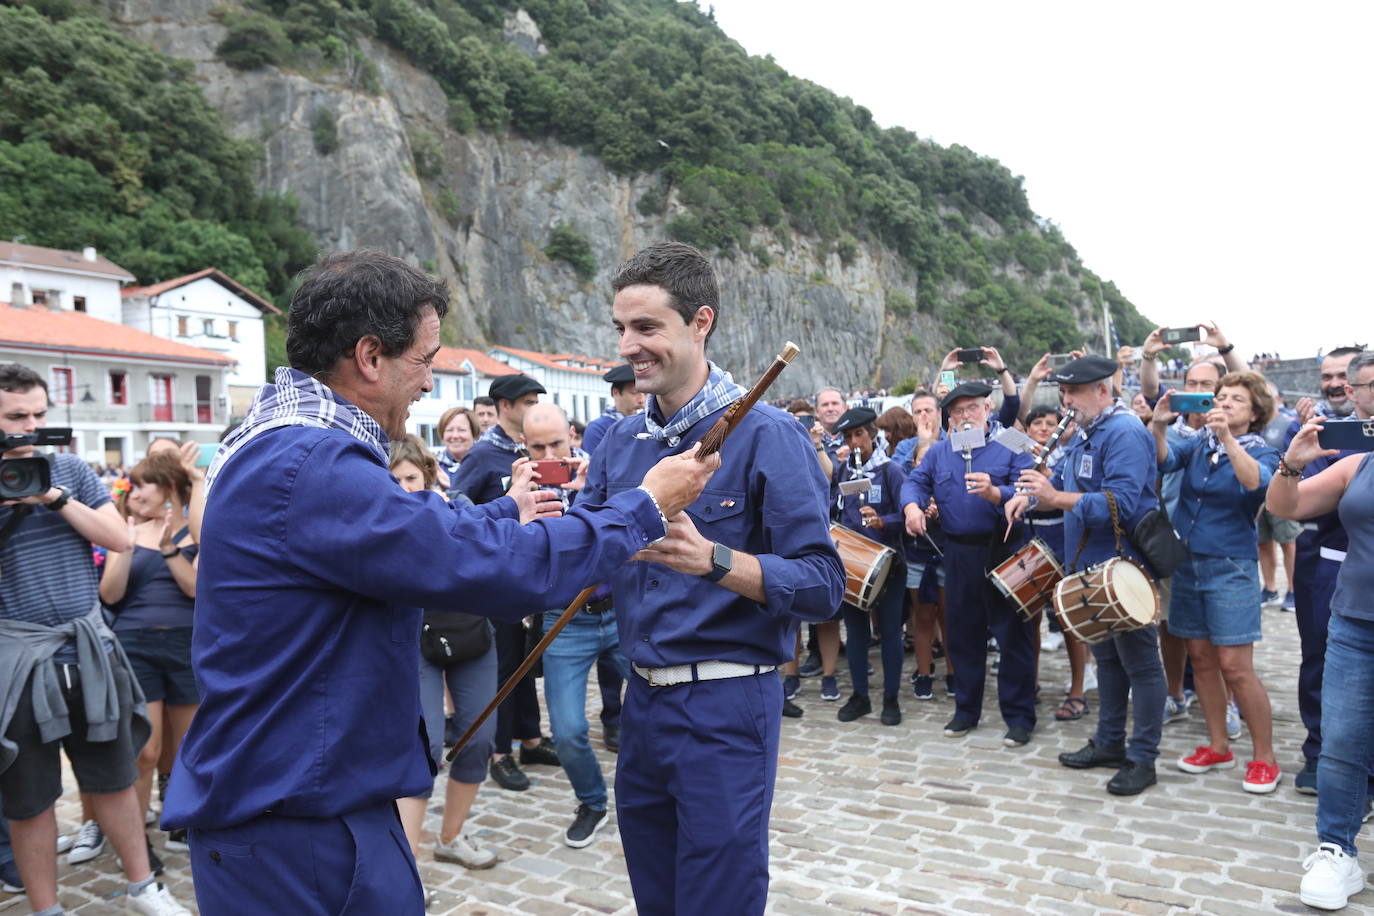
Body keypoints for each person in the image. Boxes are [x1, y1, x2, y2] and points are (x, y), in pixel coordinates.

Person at [161, 249, 718, 915]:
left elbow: (403, 538)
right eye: (425, 361)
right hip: (296, 821)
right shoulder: (309, 460)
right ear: (371, 357)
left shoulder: (290, 443)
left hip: (311, 798)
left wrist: (502, 513)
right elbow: (490, 567)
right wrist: (645, 507)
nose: (430, 383)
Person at [579, 241, 844, 916]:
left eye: (646, 327)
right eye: (621, 327)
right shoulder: (618, 443)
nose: (628, 346)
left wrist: (714, 561)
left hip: (727, 707)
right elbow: (585, 557)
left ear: (701, 323)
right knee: (657, 901)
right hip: (640, 706)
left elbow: (823, 584)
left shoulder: (769, 434)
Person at [0, 363, 190, 916]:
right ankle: (46, 908)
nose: (31, 426)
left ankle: (144, 887)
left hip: (87, 648)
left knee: (113, 776)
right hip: (19, 657)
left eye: (39, 414)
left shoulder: (70, 469)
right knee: (29, 797)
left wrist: (54, 497)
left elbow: (117, 538)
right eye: (16, 416)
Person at [1007, 355, 1165, 796]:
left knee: (1142, 665)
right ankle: (1110, 742)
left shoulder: (1125, 432)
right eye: (1063, 393)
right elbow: (1059, 484)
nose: (1066, 402)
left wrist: (1054, 497)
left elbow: (1121, 503)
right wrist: (1027, 497)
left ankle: (1143, 758)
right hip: (1092, 566)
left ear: (1102, 391)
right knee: (1109, 660)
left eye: (1073, 393)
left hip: (1124, 567)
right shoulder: (1085, 432)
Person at [1267, 357, 1374, 910]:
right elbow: (1284, 506)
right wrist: (1292, 463)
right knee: (1342, 741)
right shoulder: (1358, 461)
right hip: (1356, 621)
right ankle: (1337, 850)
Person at [1150, 369, 1282, 793]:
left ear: (1256, 412)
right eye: (1220, 397)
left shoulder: (1264, 450)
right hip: (1188, 564)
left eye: (1236, 400)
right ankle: (1218, 745)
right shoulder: (1197, 443)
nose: (1224, 403)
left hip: (1231, 567)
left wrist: (1227, 438)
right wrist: (1158, 426)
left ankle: (1265, 758)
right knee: (1201, 658)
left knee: (1236, 667)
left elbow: (1255, 484)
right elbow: (1164, 460)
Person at [385, 436, 499, 883]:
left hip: (470, 631)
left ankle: (451, 838)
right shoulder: (382, 518)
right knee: (425, 745)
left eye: (410, 478)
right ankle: (405, 869)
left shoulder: (457, 506)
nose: (404, 488)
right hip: (415, 637)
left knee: (480, 739)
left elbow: (485, 548)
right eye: (394, 480)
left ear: (428, 475)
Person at [521, 402, 634, 847]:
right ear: (524, 446)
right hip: (564, 620)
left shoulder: (603, 472)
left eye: (556, 443)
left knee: (662, 704)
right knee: (567, 731)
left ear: (572, 434)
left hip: (620, 610)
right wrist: (517, 507)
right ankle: (592, 802)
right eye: (538, 448)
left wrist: (594, 492)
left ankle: (659, 792)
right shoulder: (520, 490)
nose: (549, 455)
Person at [902, 382, 1036, 746]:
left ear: (988, 409)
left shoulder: (1013, 440)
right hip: (959, 552)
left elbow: (1031, 486)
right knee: (962, 634)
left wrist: (998, 493)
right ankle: (966, 709)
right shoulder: (939, 451)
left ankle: (1020, 716)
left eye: (972, 408)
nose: (965, 416)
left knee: (1013, 636)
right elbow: (914, 483)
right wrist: (912, 507)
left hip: (1004, 548)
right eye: (957, 411)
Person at [452, 373, 562, 791]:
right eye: (527, 402)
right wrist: (498, 521)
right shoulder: (483, 453)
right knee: (502, 667)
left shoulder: (528, 448)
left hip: (528, 574)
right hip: (496, 576)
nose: (534, 407)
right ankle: (499, 752)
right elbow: (457, 502)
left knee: (525, 661)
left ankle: (530, 738)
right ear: (504, 406)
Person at [100, 453, 201, 860]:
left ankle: (184, 822)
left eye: (143, 484)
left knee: (190, 748)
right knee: (145, 750)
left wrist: (170, 550)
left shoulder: (194, 532)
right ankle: (137, 843)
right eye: (132, 485)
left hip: (186, 644)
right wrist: (125, 547)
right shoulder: (125, 530)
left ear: (169, 488)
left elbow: (196, 588)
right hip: (135, 645)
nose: (134, 492)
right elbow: (110, 595)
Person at [1283, 349, 1372, 798]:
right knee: (1318, 656)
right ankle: (1319, 749)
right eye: (1329, 377)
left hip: (1356, 557)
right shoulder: (1322, 433)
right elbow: (1301, 499)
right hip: (1325, 560)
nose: (1336, 384)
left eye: (1343, 375)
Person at [831, 407, 907, 725]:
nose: (854, 442)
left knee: (890, 633)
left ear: (873, 434)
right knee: (856, 633)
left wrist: (882, 521)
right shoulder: (842, 472)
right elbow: (834, 511)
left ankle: (891, 699)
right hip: (852, 567)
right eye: (848, 437)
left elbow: (907, 513)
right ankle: (860, 696)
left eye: (859, 434)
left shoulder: (891, 471)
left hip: (889, 565)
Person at [1021, 404, 1092, 723]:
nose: (1044, 428)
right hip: (1029, 540)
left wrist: (1046, 473)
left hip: (1063, 540)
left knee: (1068, 617)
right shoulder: (1018, 456)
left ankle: (1078, 688)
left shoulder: (1069, 456)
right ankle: (1031, 682)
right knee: (1030, 617)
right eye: (1037, 423)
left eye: (1051, 423)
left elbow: (1064, 497)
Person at [583, 363, 645, 456]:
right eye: (634, 392)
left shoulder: (649, 424)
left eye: (646, 393)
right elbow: (594, 462)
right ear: (615, 392)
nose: (642, 400)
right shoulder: (598, 428)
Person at [434, 404, 480, 489]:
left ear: (473, 433)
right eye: (449, 430)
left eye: (461, 430)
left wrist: (451, 488)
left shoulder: (486, 464)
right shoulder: (434, 468)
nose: (455, 435)